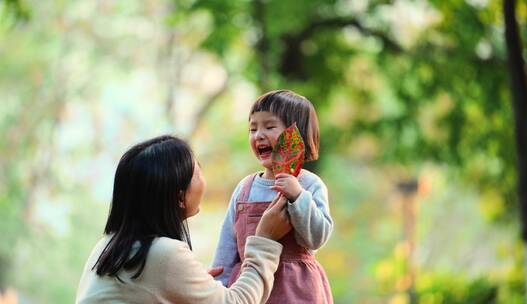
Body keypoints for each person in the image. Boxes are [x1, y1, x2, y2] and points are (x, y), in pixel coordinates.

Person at [76, 135, 291, 304]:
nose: (203, 179)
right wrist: (264, 240)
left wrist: (190, 287)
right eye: (198, 171)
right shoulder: (164, 253)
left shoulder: (107, 245)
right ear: (180, 196)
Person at [212, 90, 334, 303]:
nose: (258, 135)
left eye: (269, 127)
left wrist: (297, 196)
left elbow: (316, 238)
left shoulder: (309, 185)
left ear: (296, 135)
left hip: (297, 290)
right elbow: (227, 247)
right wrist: (220, 286)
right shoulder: (245, 188)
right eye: (253, 128)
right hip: (252, 289)